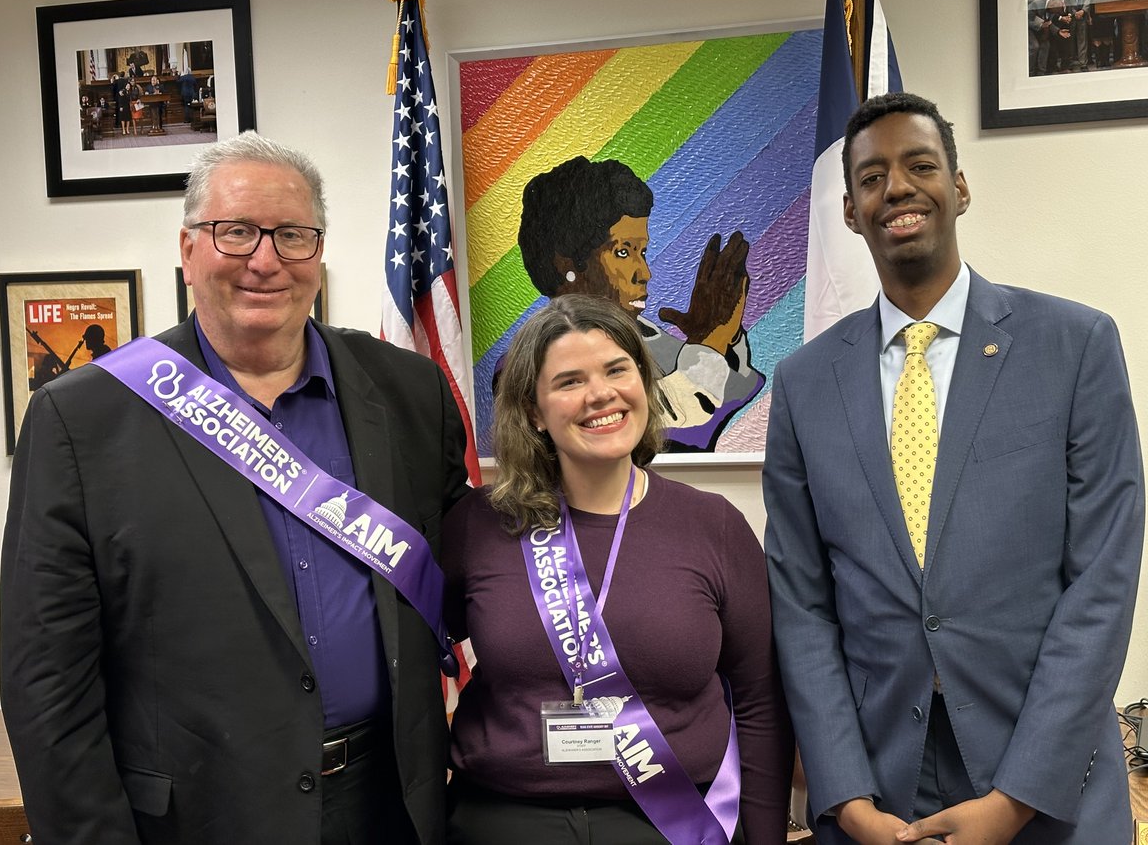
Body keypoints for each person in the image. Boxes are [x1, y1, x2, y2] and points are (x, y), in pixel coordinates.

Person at [0, 131, 470, 845]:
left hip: (390, 806)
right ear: (188, 250)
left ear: (318, 251)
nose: (265, 259)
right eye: (236, 232)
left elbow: (474, 570)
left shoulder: (407, 390)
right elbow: (48, 686)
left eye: (292, 235)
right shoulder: (82, 419)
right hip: (199, 817)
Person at [763, 92, 1143, 844]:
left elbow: (1102, 583)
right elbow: (802, 605)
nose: (896, 188)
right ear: (849, 211)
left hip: (1047, 775)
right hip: (880, 786)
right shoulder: (804, 384)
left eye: (920, 165)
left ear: (959, 187)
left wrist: (1017, 798)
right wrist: (844, 795)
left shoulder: (1075, 346)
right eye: (871, 178)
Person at [443, 293, 792, 844]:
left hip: (675, 823)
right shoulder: (478, 526)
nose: (600, 394)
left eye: (616, 370)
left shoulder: (714, 526)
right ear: (533, 411)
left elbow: (758, 701)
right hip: (504, 822)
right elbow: (410, 654)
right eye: (568, 381)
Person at [517, 156, 765, 451]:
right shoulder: (525, 363)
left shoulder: (652, 340)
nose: (644, 273)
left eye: (642, 252)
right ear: (567, 265)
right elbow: (654, 426)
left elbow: (734, 392)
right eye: (623, 252)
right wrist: (709, 344)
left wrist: (724, 335)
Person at [1089, 0, 1117, 67]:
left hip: (1108, 16)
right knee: (1097, 38)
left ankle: (1106, 60)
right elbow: (1089, 2)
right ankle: (1099, 60)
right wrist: (1089, 16)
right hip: (1096, 16)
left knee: (1107, 37)